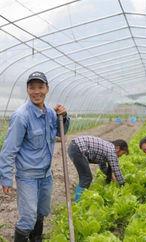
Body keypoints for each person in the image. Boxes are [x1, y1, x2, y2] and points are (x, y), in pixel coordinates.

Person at [0, 71, 70, 242]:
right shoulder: (21, 116)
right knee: (27, 219)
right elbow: (9, 150)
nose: (36, 91)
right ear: (27, 90)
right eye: (32, 87)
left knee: (42, 212)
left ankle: (36, 239)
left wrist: (64, 117)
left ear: (47, 89)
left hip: (46, 174)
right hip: (28, 177)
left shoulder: (51, 114)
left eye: (40, 87)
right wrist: (6, 178)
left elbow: (61, 133)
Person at [68, 136, 128, 202]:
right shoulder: (112, 151)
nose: (119, 157)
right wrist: (123, 185)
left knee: (85, 177)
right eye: (121, 154)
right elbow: (117, 170)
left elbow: (103, 167)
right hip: (78, 148)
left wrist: (111, 177)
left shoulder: (107, 147)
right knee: (86, 177)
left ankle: (77, 199)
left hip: (74, 146)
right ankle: (77, 201)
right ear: (118, 148)